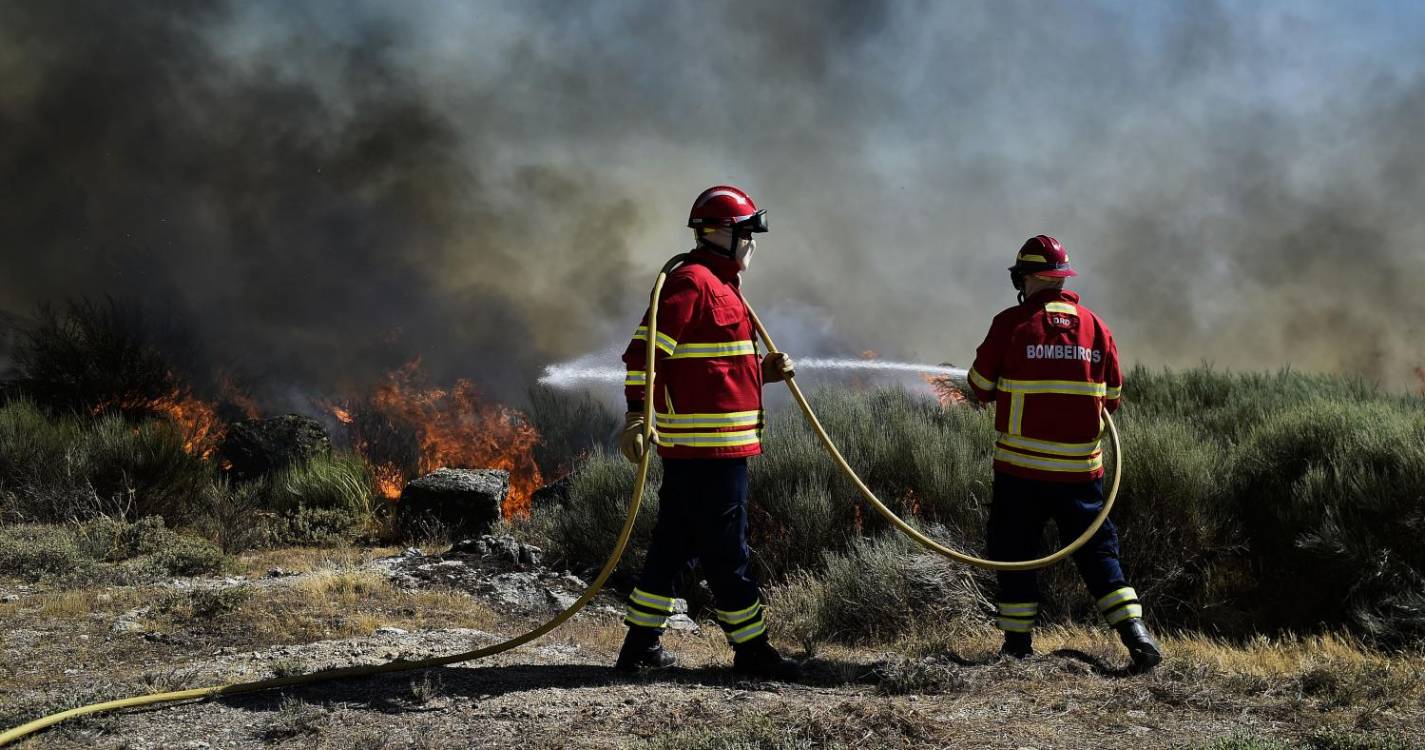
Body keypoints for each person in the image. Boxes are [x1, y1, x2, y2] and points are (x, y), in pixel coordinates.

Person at [614, 184, 801, 679]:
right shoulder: (692, 284)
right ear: (721, 233)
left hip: (712, 449)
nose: (751, 244)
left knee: (672, 548)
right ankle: (753, 652)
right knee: (728, 554)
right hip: (708, 452)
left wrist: (764, 373)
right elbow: (644, 356)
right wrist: (637, 414)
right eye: (746, 233)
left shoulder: (725, 287)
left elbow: (712, 372)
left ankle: (639, 648)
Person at [966, 234, 1162, 672]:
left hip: (1021, 472)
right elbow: (1111, 398)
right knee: (1099, 555)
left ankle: (1017, 648)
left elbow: (978, 387)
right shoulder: (1096, 326)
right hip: (1082, 475)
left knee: (1015, 552)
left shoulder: (1011, 323)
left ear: (1030, 276)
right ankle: (1136, 635)